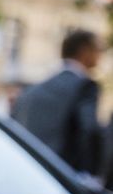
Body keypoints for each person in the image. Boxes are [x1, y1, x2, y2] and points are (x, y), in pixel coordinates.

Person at [11, 29, 105, 176]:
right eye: (99, 49)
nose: (101, 55)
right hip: (65, 178)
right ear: (85, 50)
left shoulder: (31, 91)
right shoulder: (85, 87)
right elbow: (88, 131)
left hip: (29, 173)